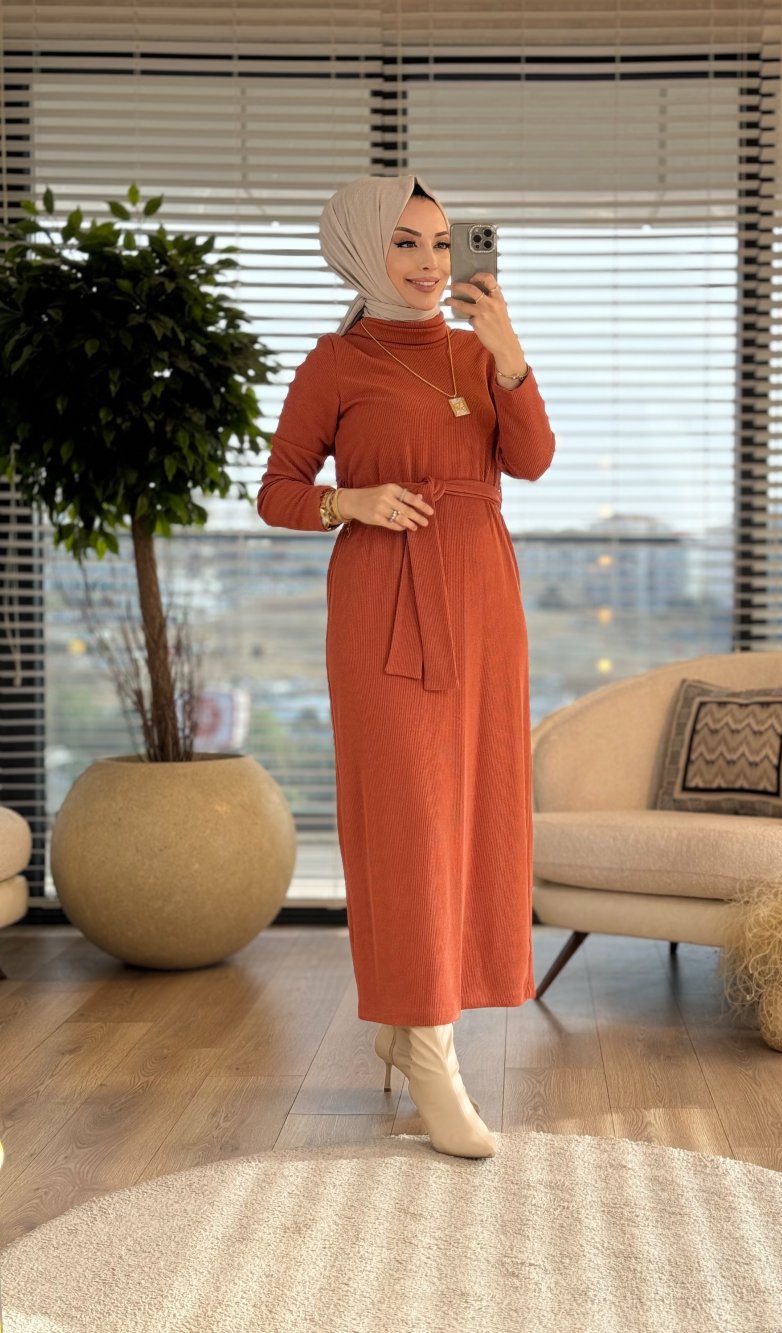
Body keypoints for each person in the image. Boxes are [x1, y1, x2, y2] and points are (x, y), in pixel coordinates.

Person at [256, 173, 557, 1160]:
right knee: (410, 821)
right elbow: (277, 491)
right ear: (360, 250)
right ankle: (432, 1053)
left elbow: (532, 460)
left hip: (483, 601)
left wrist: (508, 353)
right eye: (404, 243)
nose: (430, 263)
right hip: (382, 601)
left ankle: (404, 1023)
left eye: (440, 242)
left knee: (476, 813)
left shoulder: (478, 351)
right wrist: (353, 502)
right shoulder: (336, 361)